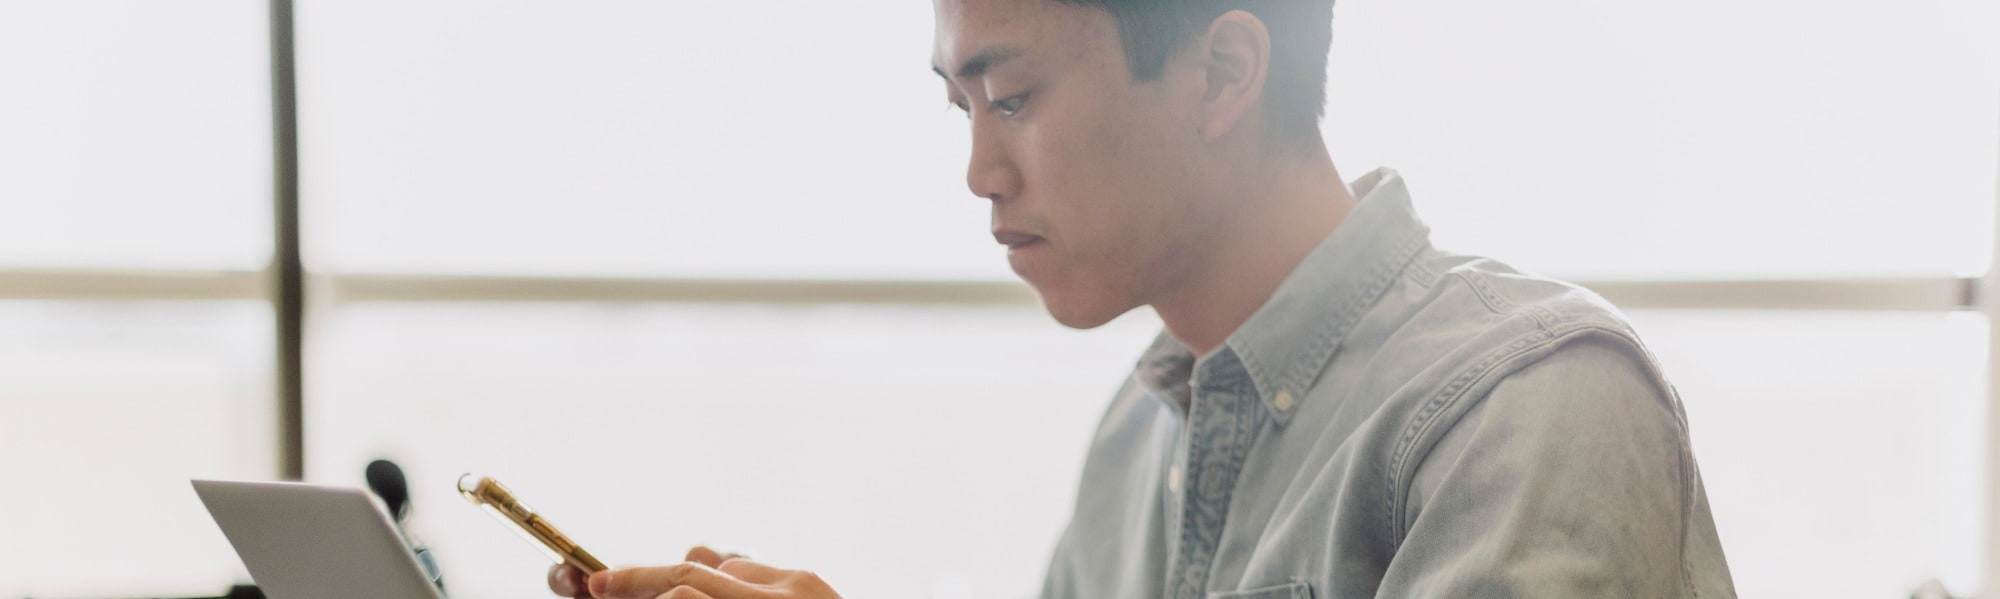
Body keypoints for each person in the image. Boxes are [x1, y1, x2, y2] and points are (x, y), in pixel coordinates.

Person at [550, 0, 1738, 597]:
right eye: (956, 110)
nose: (978, 171)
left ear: (1221, 72)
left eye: (1008, 97)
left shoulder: (1527, 410)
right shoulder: (1136, 438)